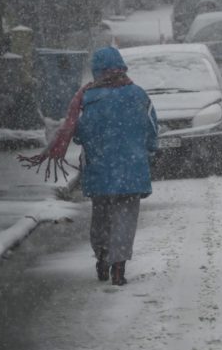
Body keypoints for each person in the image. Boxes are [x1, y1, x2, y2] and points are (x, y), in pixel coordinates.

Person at [20, 46, 157, 286]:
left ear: (96, 71)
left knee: (102, 216)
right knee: (125, 217)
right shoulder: (139, 95)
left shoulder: (87, 98)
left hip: (99, 169)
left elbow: (80, 133)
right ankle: (119, 266)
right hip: (132, 169)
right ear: (121, 67)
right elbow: (152, 129)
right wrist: (148, 147)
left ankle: (102, 257)